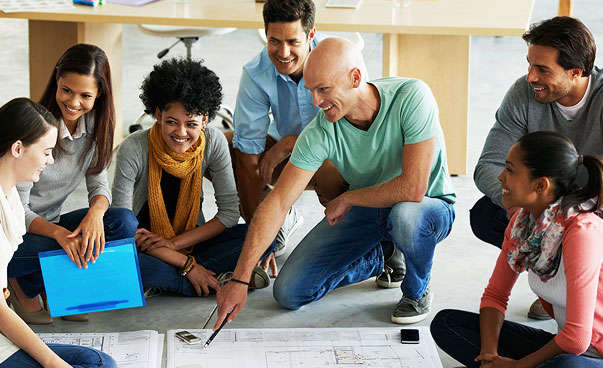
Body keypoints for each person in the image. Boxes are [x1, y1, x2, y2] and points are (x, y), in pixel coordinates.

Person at [215, 37, 456, 328]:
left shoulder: (412, 96)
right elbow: (278, 202)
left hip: (426, 207)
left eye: (323, 89)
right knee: (290, 292)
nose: (316, 101)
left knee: (405, 215)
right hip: (371, 209)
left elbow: (413, 187)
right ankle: (385, 254)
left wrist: (348, 198)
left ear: (355, 78)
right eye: (311, 90)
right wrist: (240, 278)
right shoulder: (321, 130)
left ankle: (416, 290)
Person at [431, 131, 603, 368]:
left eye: (510, 170)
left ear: (541, 185)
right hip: (568, 346)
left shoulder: (582, 232)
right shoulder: (523, 223)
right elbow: (495, 296)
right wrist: (489, 354)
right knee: (447, 323)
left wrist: (517, 366)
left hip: (591, 353)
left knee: (566, 365)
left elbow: (577, 339)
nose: (501, 177)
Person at [470, 16, 603, 319]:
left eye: (542, 69)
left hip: (594, 210)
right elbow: (489, 165)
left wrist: (560, 214)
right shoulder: (524, 93)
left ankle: (583, 295)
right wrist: (525, 209)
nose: (530, 77)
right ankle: (553, 287)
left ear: (577, 72)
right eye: (529, 64)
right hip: (541, 204)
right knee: (485, 215)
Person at [112, 58, 275, 297]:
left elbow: (229, 213)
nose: (180, 133)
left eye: (191, 124)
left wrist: (174, 246)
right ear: (157, 113)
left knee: (264, 236)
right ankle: (210, 279)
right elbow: (122, 225)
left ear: (206, 119)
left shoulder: (214, 142)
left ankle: (177, 281)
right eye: (171, 122)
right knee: (128, 263)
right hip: (143, 247)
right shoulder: (133, 148)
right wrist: (187, 266)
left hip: (190, 241)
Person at [7, 44, 138, 324]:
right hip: (17, 232)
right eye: (67, 90)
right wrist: (59, 234)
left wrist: (95, 214)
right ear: (57, 79)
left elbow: (99, 184)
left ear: (99, 94)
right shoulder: (35, 127)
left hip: (50, 227)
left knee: (122, 223)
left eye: (86, 95)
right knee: (71, 239)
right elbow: (19, 210)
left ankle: (54, 283)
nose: (74, 102)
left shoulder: (96, 125)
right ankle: (23, 283)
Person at [228, 0, 350, 260]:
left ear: (310, 35)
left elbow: (348, 135)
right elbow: (248, 153)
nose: (283, 52)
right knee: (227, 148)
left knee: (331, 169)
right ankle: (273, 227)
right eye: (274, 41)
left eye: (293, 42)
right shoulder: (256, 72)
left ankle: (351, 238)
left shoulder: (338, 61)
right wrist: (257, 240)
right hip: (285, 155)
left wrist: (290, 143)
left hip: (333, 154)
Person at [0, 97, 117, 368]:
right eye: (45, 152)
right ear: (18, 148)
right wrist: (54, 364)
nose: (51, 160)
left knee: (98, 361)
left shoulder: (11, 198)